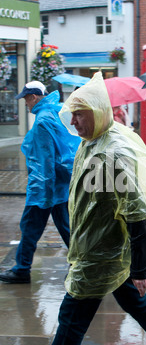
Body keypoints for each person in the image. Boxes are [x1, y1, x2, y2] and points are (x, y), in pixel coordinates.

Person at [10, 72, 146, 345]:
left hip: (103, 253)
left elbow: (137, 211)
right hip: (104, 248)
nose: (73, 119)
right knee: (134, 302)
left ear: (98, 112)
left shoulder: (109, 155)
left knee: (71, 315)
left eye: (80, 113)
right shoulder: (95, 140)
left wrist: (142, 268)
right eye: (73, 112)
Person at [0, 81, 80, 284]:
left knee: (30, 227)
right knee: (67, 228)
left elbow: (46, 159)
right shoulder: (54, 112)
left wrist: (43, 193)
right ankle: (82, 265)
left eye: (26, 99)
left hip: (45, 188)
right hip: (58, 186)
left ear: (33, 97)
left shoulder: (43, 120)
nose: (25, 104)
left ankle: (21, 270)